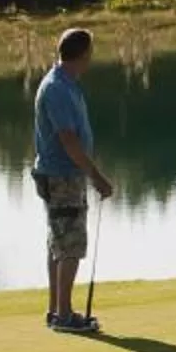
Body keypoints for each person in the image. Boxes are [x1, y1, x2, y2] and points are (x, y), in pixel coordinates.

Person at [31, 27, 115, 336]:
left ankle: (58, 310)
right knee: (69, 244)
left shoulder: (67, 84)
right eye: (90, 53)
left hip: (62, 174)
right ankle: (63, 315)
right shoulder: (57, 88)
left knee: (59, 242)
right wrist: (97, 177)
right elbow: (68, 140)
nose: (90, 59)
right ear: (82, 55)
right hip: (63, 175)